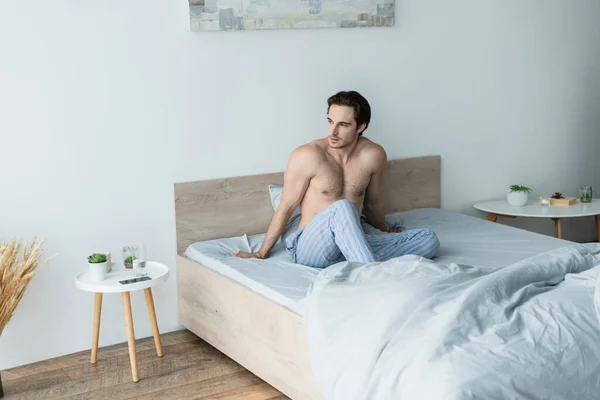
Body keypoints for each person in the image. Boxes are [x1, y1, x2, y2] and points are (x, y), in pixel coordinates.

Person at [234, 90, 440, 268]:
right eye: (330, 121)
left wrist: (385, 231)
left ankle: (357, 259)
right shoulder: (308, 155)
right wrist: (262, 252)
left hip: (355, 238)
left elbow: (373, 202)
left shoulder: (373, 155)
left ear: (361, 127)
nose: (332, 131)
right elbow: (287, 205)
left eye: (343, 124)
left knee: (428, 239)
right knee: (343, 207)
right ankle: (372, 274)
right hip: (312, 246)